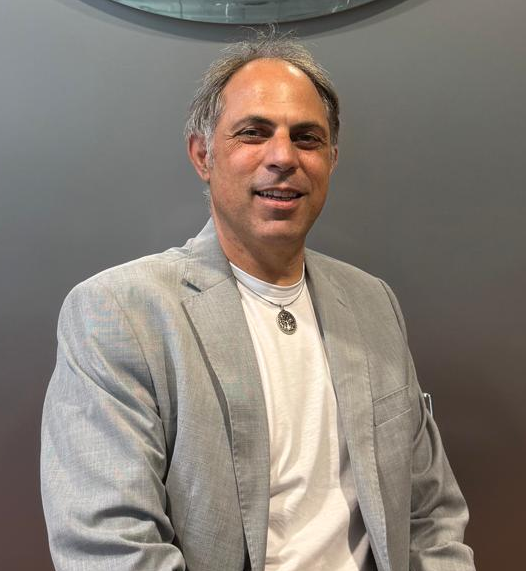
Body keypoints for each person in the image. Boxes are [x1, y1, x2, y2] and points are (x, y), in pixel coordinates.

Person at [41, 32, 476, 571]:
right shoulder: (117, 313)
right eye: (253, 133)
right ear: (203, 155)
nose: (283, 157)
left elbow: (431, 516)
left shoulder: (374, 304)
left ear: (331, 160)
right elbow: (109, 549)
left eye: (307, 139)